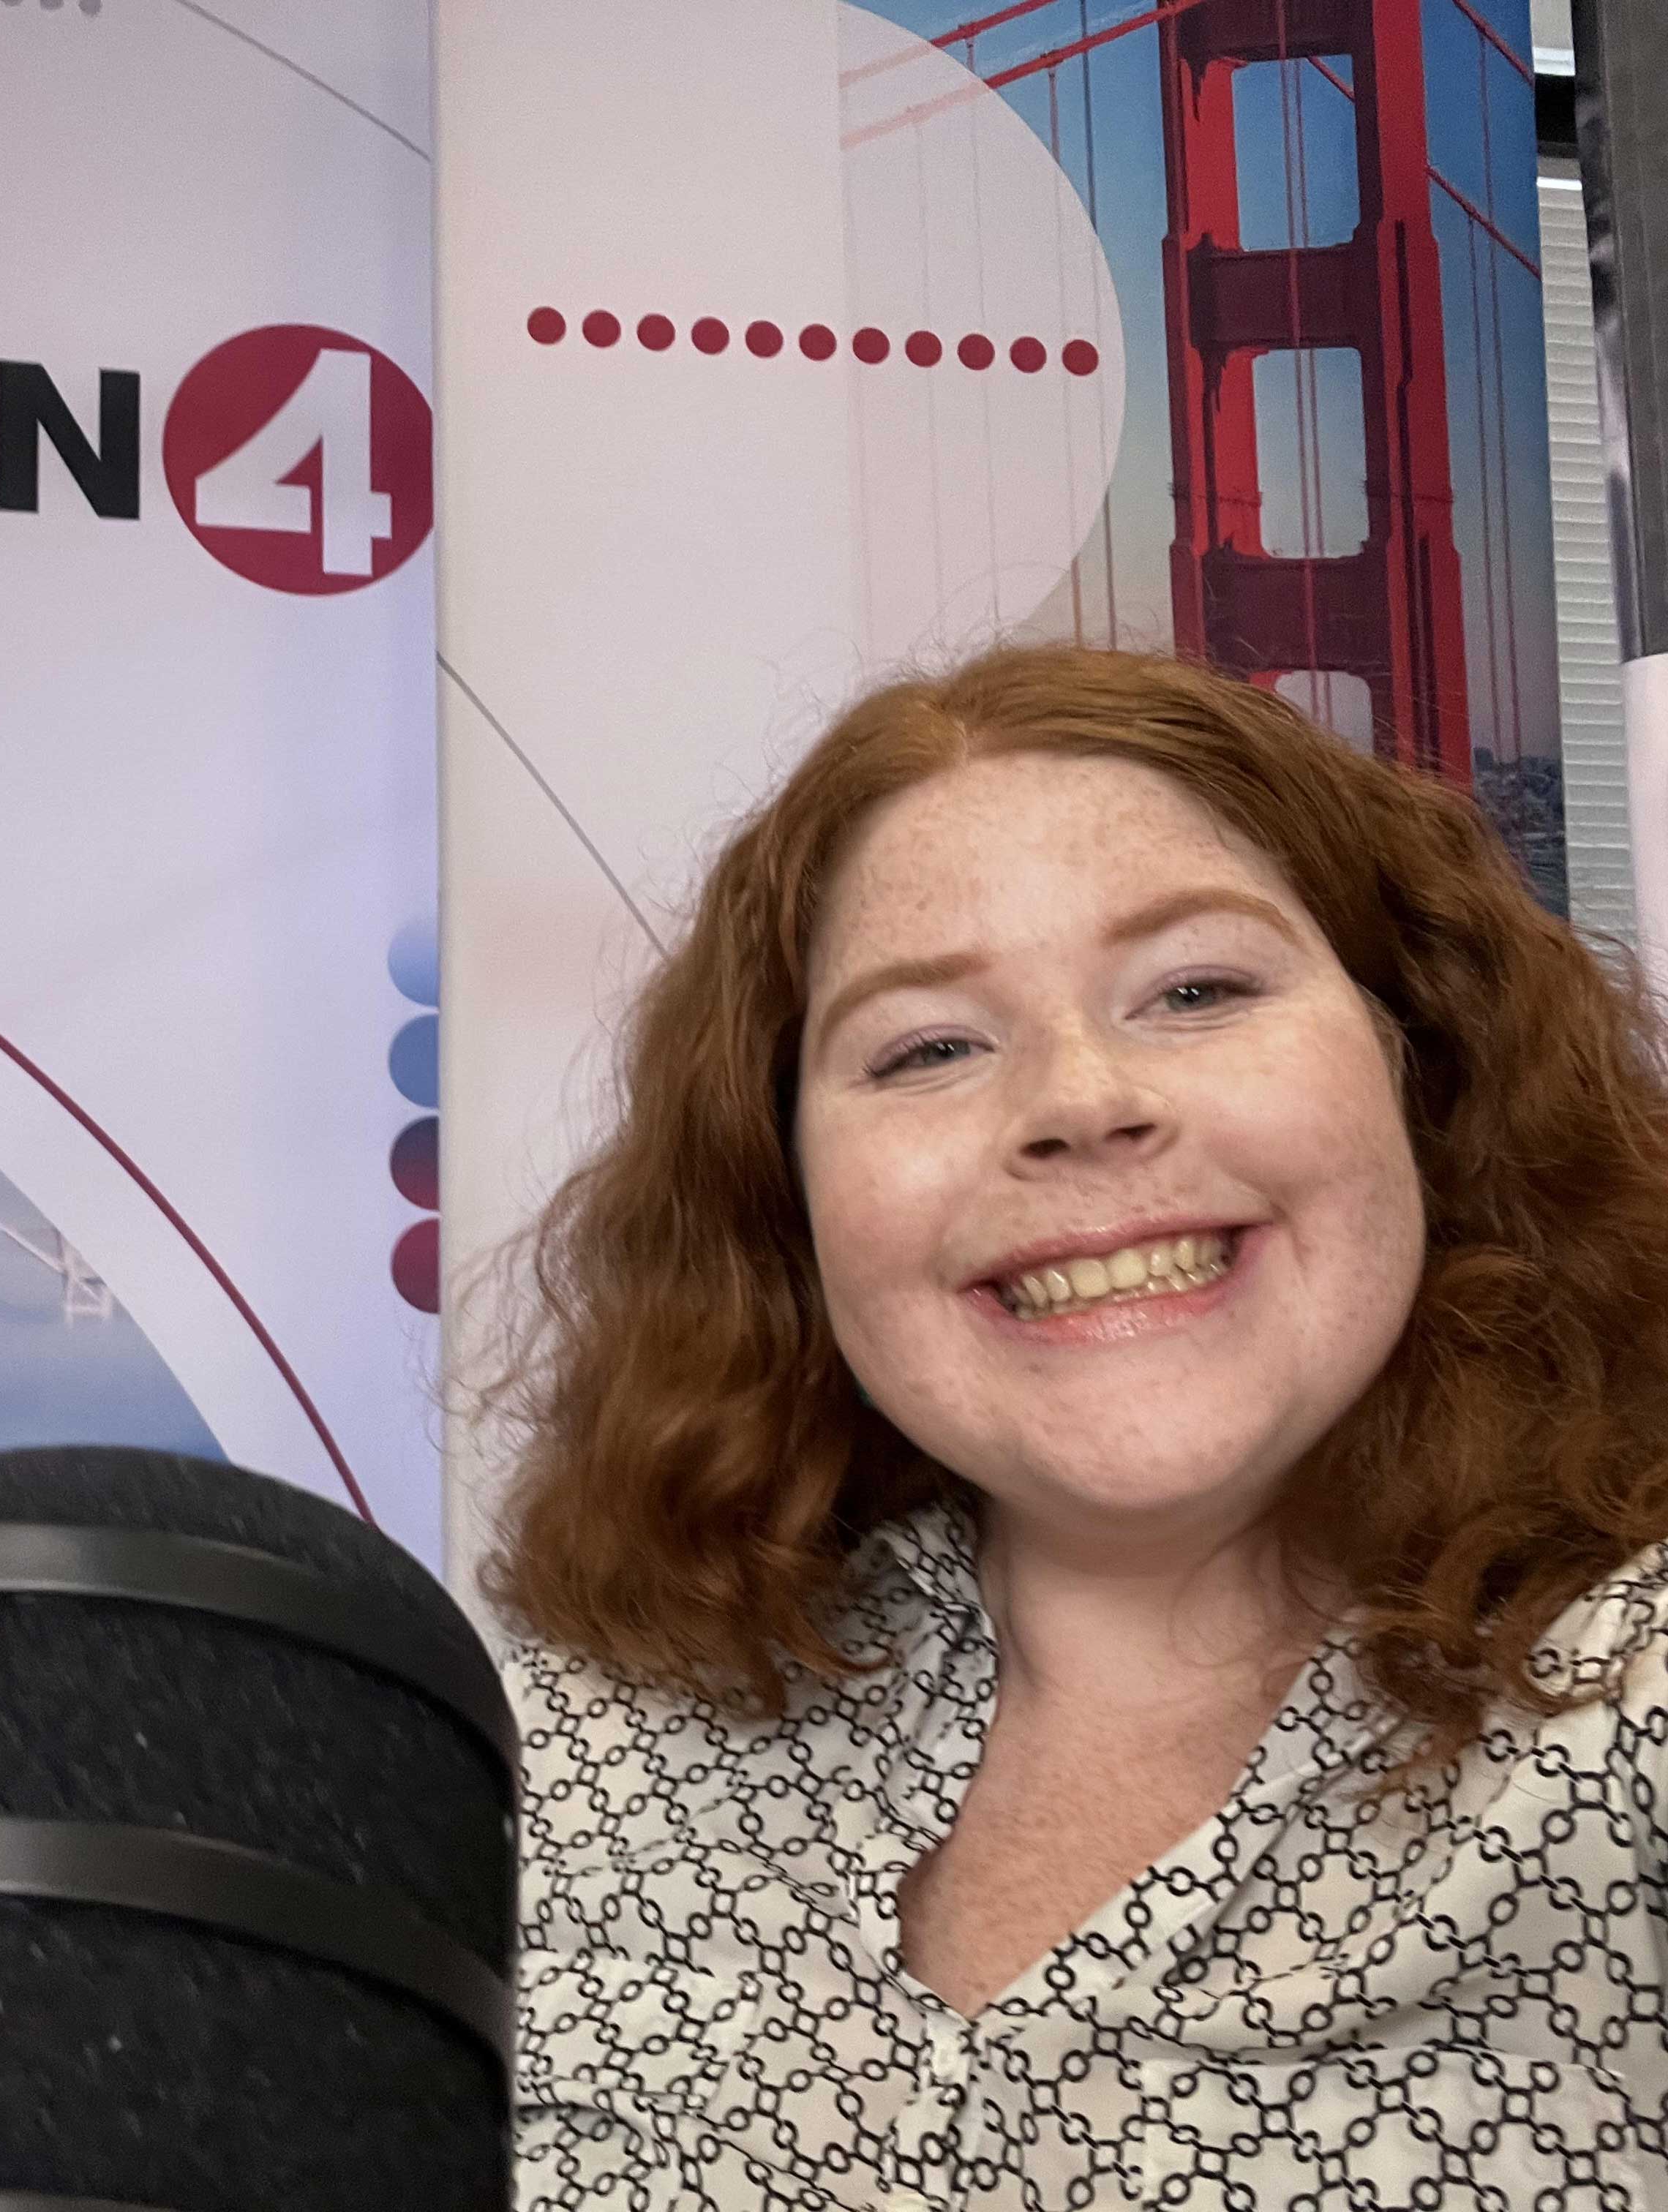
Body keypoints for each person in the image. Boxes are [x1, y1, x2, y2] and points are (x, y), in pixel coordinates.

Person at [481, 644, 1668, 2211]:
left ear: (1421, 1065)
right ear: (789, 1195)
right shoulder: (569, 1752)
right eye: (930, 1047)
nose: (1080, 1100)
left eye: (1197, 990)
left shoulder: (1630, 1715)